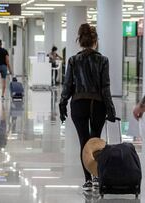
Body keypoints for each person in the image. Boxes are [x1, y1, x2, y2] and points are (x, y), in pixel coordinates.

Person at [59, 23, 116, 191]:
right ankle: (98, 176)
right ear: (95, 41)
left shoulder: (73, 60)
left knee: (84, 142)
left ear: (80, 41)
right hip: (98, 104)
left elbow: (68, 85)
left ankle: (88, 180)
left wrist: (62, 103)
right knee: (96, 141)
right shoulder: (103, 60)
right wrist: (111, 109)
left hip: (79, 104)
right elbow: (105, 87)